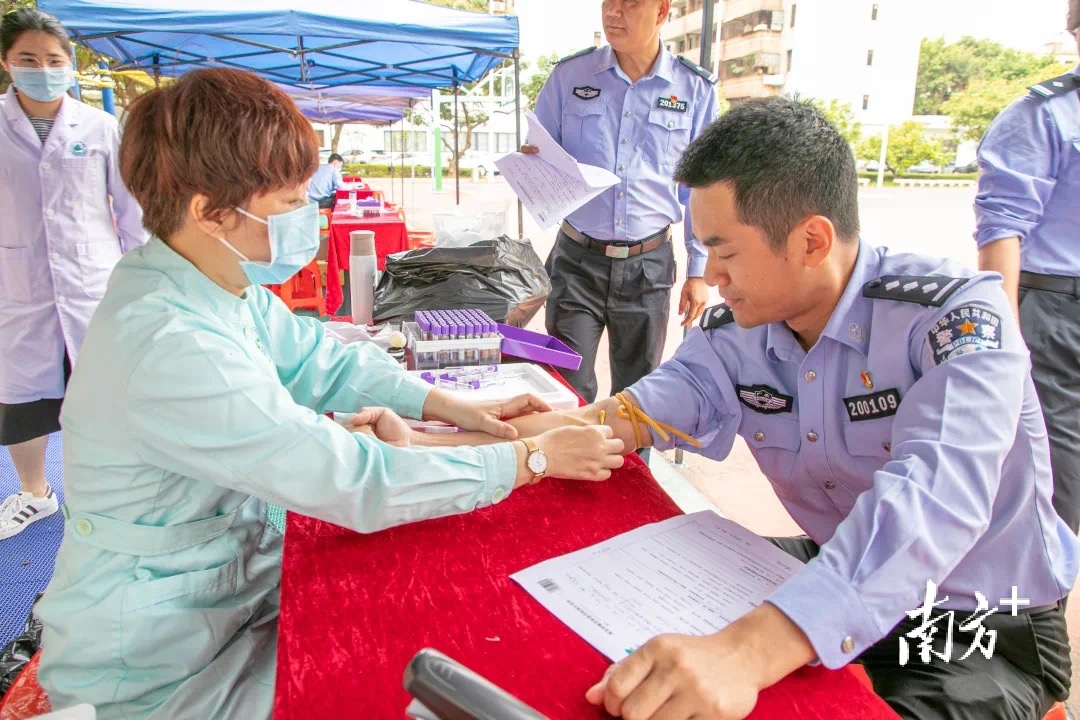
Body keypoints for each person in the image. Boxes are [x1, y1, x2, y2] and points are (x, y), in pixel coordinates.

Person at [449, 98, 1078, 720]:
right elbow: (617, 420)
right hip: (836, 559)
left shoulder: (954, 318)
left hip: (979, 622)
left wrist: (745, 654)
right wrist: (437, 439)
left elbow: (935, 499)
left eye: (725, 253)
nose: (712, 276)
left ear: (810, 240)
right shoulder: (739, 335)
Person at [35, 68, 624, 719]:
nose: (309, 218)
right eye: (287, 203)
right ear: (209, 212)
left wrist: (449, 406)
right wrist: (530, 462)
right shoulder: (172, 344)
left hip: (220, 594)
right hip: (154, 665)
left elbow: (320, 358)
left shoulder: (202, 284)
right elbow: (355, 482)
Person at [523, 0, 719, 403]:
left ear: (662, 12)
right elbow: (538, 154)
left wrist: (699, 271)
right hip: (577, 262)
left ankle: (630, 469)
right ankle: (571, 466)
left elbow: (703, 189)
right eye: (609, 2)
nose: (614, 13)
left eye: (630, 4)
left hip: (648, 266)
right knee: (567, 388)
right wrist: (533, 164)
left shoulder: (694, 90)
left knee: (637, 397)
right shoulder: (569, 76)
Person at [0, 9, 147, 541]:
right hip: (18, 286)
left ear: (71, 65)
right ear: (6, 63)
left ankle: (106, 492)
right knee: (23, 401)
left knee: (103, 394)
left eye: (54, 59)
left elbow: (131, 211)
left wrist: (145, 275)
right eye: (28, 59)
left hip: (93, 282)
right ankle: (34, 493)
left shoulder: (101, 126)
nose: (43, 68)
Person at [974, 0, 1079, 534]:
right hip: (1058, 312)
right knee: (1058, 473)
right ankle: (1039, 603)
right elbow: (1002, 228)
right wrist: (1005, 336)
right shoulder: (1044, 116)